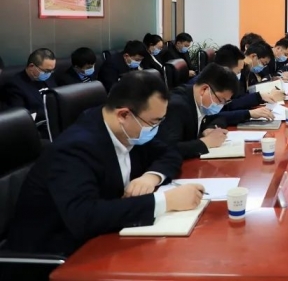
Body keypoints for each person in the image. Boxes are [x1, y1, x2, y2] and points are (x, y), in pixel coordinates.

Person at [4, 71, 203, 267]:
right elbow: (84, 217)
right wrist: (164, 201)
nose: (156, 128)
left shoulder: (127, 130)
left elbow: (170, 152)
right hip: (56, 255)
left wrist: (151, 177)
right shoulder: (74, 148)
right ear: (123, 115)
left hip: (107, 236)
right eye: (153, 122)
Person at [157, 64, 238, 160]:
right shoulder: (176, 106)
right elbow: (166, 150)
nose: (221, 106)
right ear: (204, 89)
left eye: (225, 102)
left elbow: (220, 117)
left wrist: (210, 129)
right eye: (220, 100)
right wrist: (205, 142)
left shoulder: (201, 102)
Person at [3, 48, 57, 121]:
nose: (49, 74)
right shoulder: (14, 85)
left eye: (52, 70)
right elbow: (21, 116)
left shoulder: (48, 77)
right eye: (46, 71)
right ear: (31, 66)